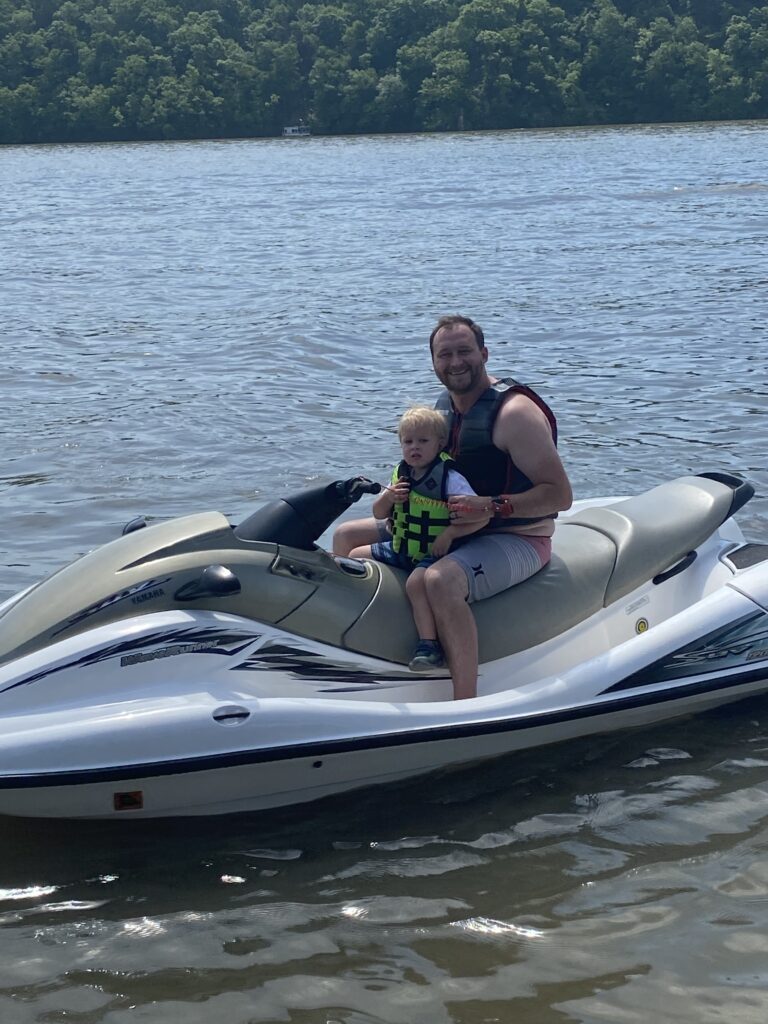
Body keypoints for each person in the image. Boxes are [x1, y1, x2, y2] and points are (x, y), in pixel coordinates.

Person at [334, 315, 572, 699]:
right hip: (452, 527)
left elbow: (561, 495)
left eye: (465, 351)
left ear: (484, 353)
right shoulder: (443, 411)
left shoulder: (514, 415)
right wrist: (399, 506)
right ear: (433, 362)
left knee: (440, 580)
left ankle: (465, 701)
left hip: (518, 536)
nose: (456, 362)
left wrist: (491, 506)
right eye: (445, 354)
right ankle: (365, 659)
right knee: (345, 537)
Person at [348, 405, 488, 671]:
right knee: (355, 557)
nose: (415, 448)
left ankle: (428, 646)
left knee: (415, 583)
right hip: (402, 547)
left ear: (440, 443)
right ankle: (364, 624)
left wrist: (449, 534)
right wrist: (389, 497)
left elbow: (481, 517)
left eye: (423, 441)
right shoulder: (401, 475)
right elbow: (378, 512)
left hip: (434, 553)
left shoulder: (451, 479)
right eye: (408, 441)